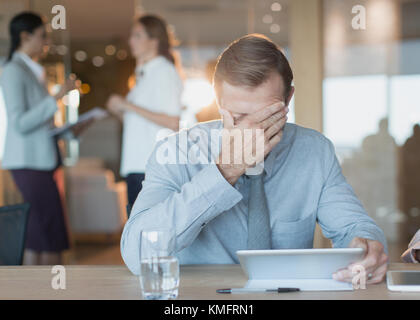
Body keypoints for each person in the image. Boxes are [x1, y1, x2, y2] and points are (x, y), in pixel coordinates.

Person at [120, 34, 388, 285]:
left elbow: (354, 227)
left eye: (266, 117)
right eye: (236, 119)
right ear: (218, 102)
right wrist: (223, 172)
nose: (252, 133)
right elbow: (136, 253)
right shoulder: (176, 152)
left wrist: (366, 246)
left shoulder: (315, 152)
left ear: (288, 100)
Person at [1, 12, 81, 264]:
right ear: (25, 36)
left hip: (40, 160)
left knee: (39, 233)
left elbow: (39, 121)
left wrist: (68, 130)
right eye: (42, 35)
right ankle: (49, 290)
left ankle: (35, 290)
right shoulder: (13, 70)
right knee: (47, 232)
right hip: (29, 162)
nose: (47, 41)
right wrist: (57, 96)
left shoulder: (33, 71)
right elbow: (20, 122)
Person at [106, 15, 183, 211]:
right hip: (137, 164)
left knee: (147, 233)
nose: (131, 41)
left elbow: (173, 122)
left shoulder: (164, 71)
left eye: (137, 35)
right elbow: (139, 122)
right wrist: (120, 110)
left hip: (150, 167)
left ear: (154, 40)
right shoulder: (144, 74)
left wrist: (127, 105)